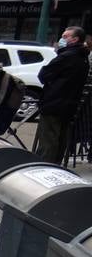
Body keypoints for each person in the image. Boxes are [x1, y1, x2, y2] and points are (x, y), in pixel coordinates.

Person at [35, 25, 90, 165]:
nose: (62, 39)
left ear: (75, 39)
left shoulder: (67, 56)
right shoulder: (83, 58)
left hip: (54, 103)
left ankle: (44, 168)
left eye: (66, 36)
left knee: (48, 141)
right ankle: (54, 166)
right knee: (60, 140)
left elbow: (44, 75)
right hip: (70, 105)